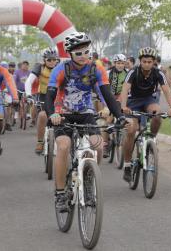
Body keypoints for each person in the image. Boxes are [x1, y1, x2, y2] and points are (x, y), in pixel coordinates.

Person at [46, 32, 123, 212]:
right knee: (64, 145)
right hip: (62, 112)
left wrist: (119, 115)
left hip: (86, 112)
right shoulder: (61, 69)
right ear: (70, 54)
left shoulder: (96, 68)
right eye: (78, 53)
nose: (83, 56)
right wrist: (52, 115)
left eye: (86, 52)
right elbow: (49, 96)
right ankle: (59, 193)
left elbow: (107, 94)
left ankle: (89, 179)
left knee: (97, 146)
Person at [120, 47, 171, 182]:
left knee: (158, 115)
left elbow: (167, 90)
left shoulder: (158, 73)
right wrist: (123, 106)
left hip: (149, 101)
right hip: (133, 102)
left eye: (149, 62)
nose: (147, 64)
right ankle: (127, 164)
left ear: (154, 62)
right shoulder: (133, 72)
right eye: (144, 61)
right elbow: (124, 89)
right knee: (131, 129)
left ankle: (151, 140)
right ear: (140, 61)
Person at [25, 48, 59, 154]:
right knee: (42, 116)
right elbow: (28, 82)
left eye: (54, 60)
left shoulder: (61, 67)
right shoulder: (39, 67)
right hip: (43, 96)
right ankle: (40, 141)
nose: (52, 62)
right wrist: (29, 94)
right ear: (44, 60)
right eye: (49, 60)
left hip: (58, 97)